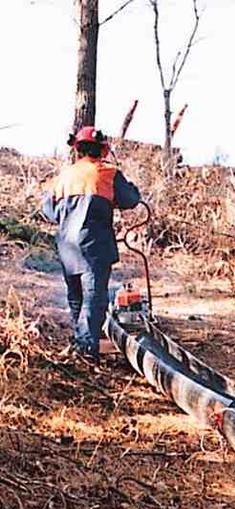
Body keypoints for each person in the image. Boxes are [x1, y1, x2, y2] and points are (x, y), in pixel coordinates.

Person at [42, 126, 141, 362]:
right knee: (94, 298)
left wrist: (71, 215)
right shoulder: (108, 172)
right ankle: (86, 351)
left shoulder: (64, 176)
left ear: (78, 150)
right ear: (102, 150)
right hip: (94, 247)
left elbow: (48, 210)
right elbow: (130, 200)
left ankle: (80, 342)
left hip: (67, 246)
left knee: (76, 296)